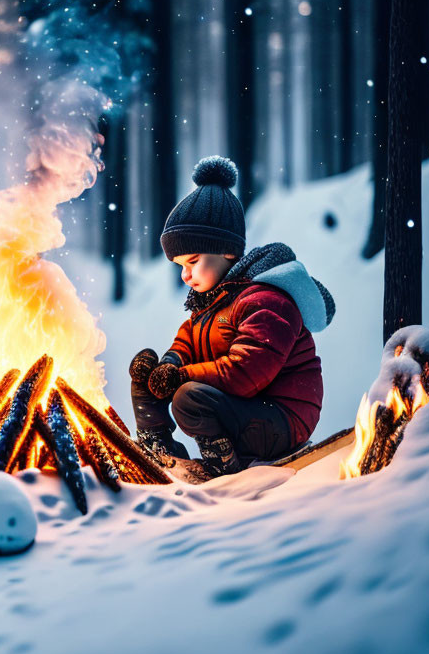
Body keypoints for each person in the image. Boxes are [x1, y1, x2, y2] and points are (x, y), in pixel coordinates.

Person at [130, 156, 335, 477]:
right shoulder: (209, 306)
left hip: (282, 417)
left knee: (188, 397)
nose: (185, 274)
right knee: (149, 382)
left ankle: (224, 467)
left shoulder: (267, 301)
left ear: (226, 251)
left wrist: (181, 378)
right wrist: (168, 364)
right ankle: (157, 448)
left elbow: (246, 372)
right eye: (180, 265)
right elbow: (188, 342)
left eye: (192, 261)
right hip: (247, 410)